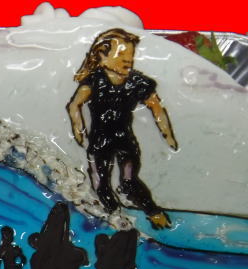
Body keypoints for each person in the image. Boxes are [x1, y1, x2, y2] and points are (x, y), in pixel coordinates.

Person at [67, 28, 178, 229]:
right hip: (100, 141)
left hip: (124, 139)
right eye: (121, 54)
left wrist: (168, 135)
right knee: (101, 184)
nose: (128, 60)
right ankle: (115, 219)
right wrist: (78, 129)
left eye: (131, 55)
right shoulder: (95, 80)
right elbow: (75, 104)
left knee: (129, 181)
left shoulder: (137, 82)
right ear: (102, 55)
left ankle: (155, 213)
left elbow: (157, 108)